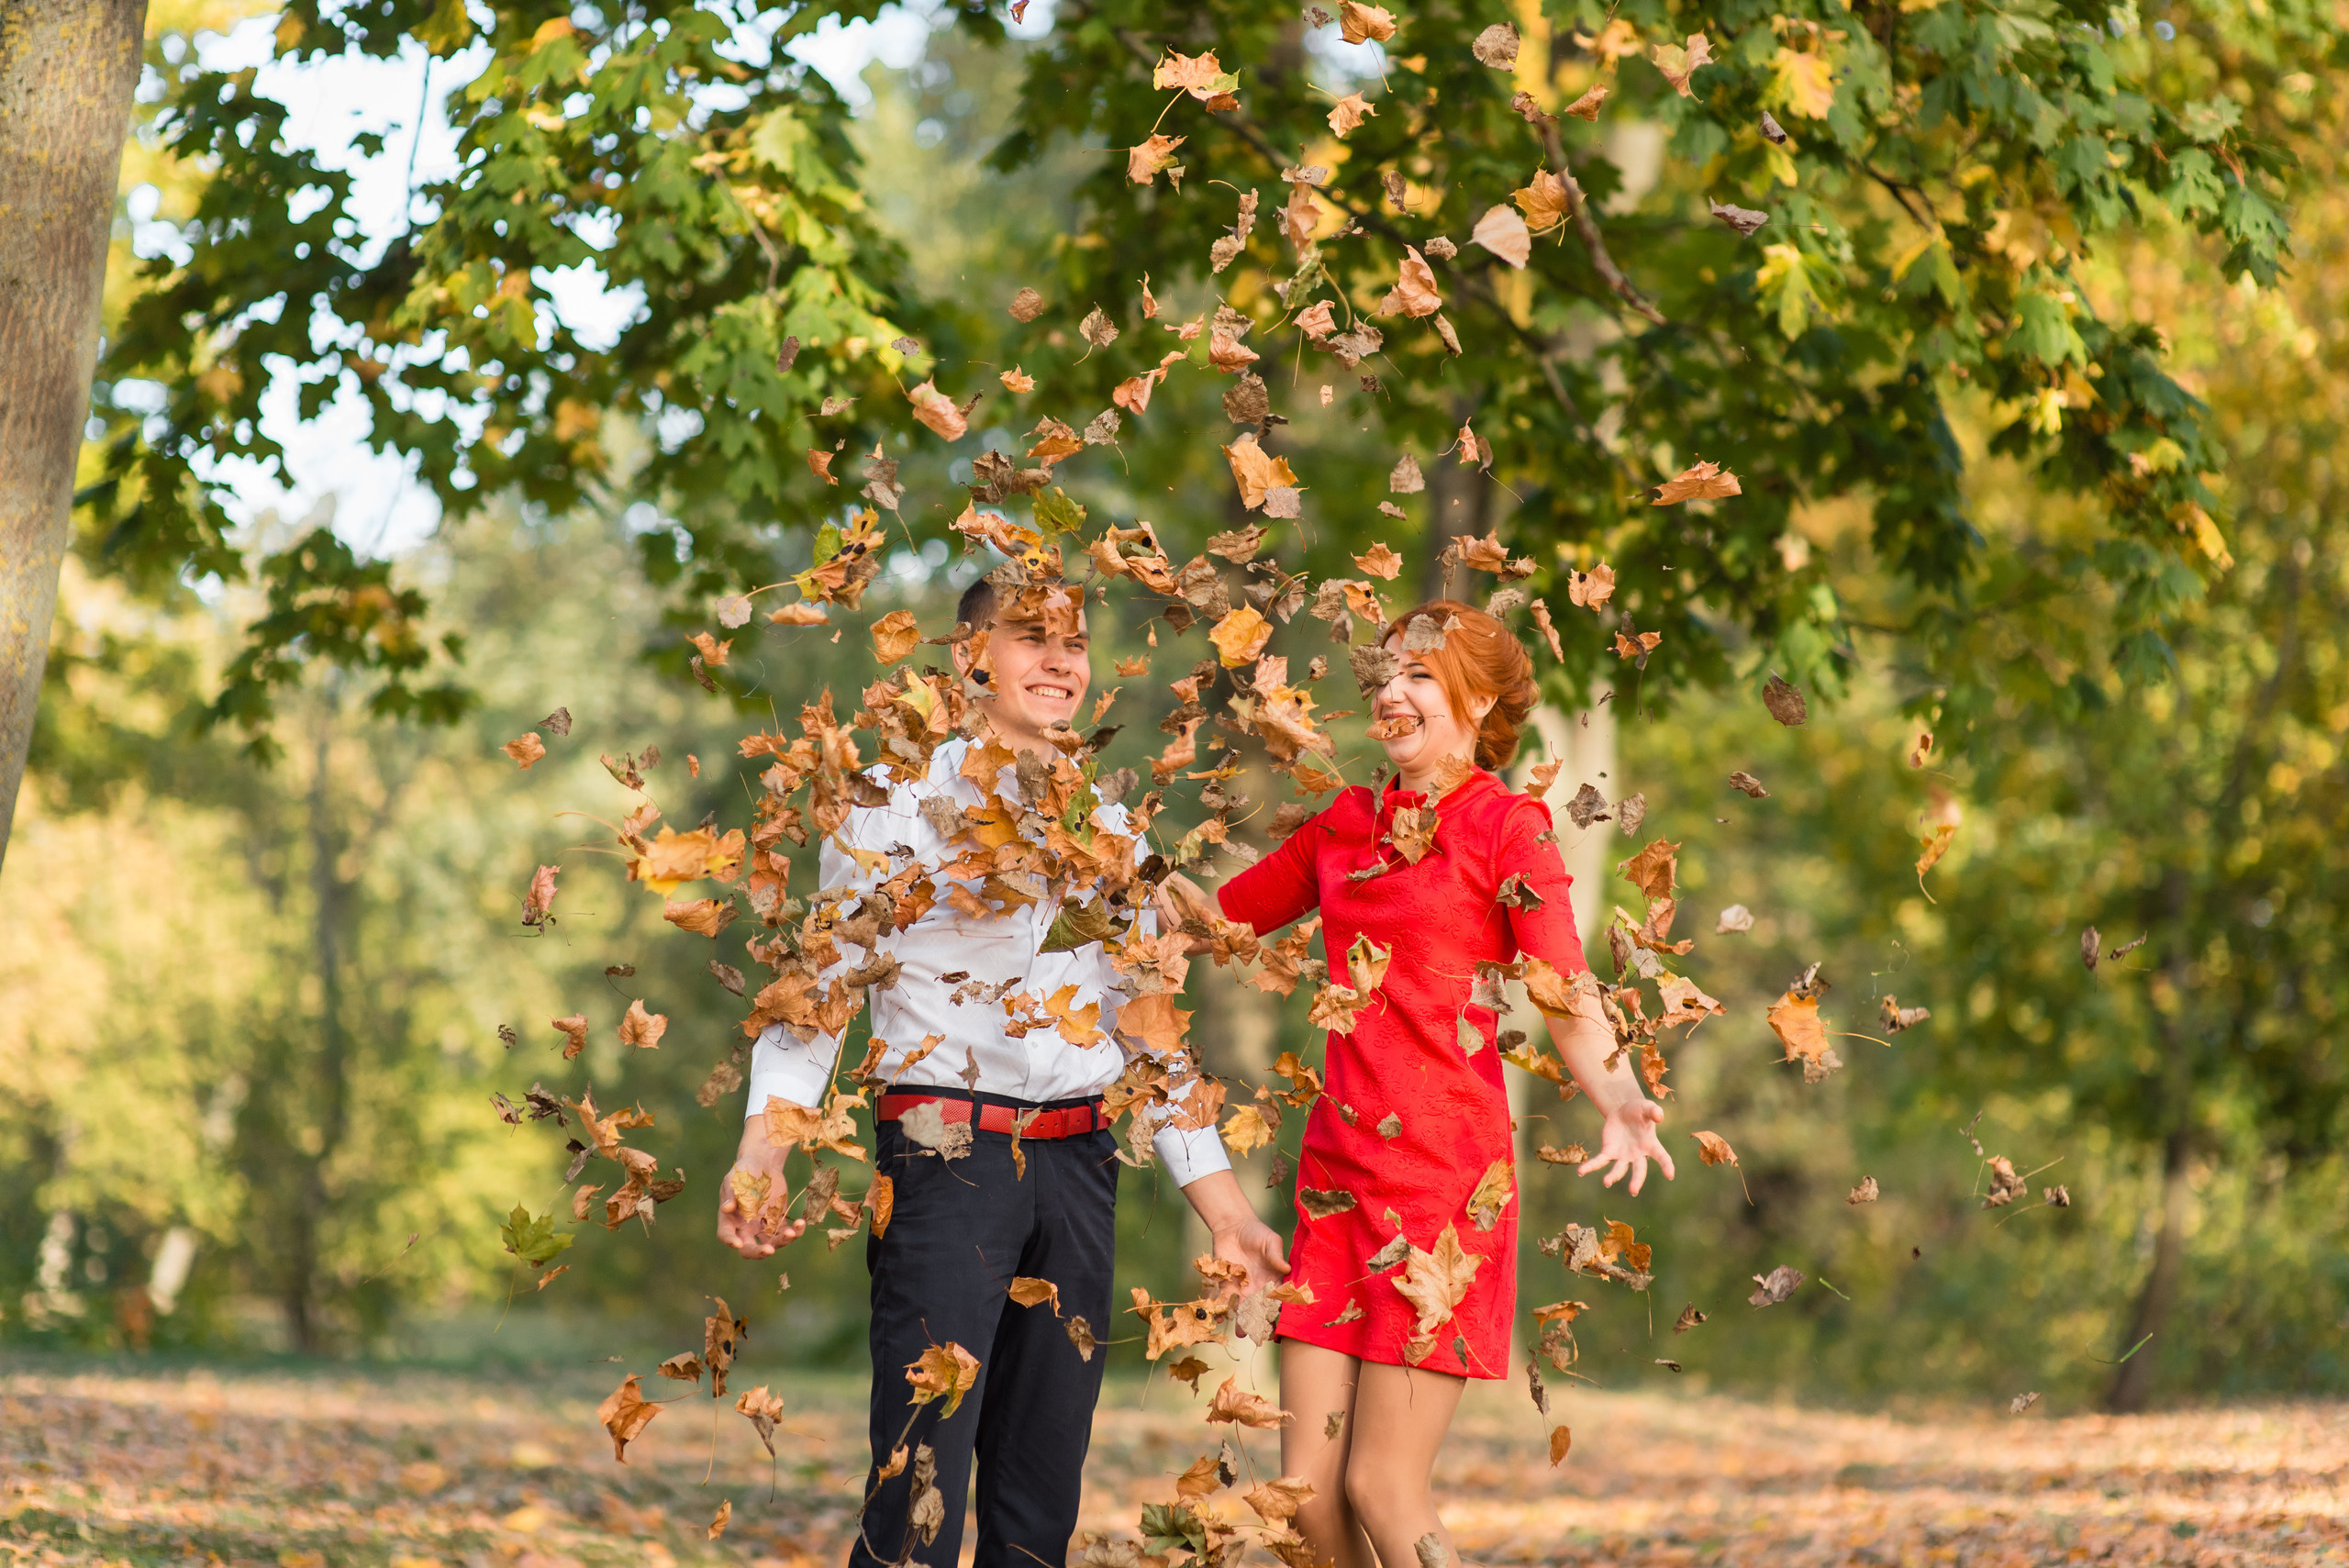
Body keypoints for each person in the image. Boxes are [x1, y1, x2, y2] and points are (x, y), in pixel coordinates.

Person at [717, 577, 1287, 1568]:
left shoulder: (1114, 830)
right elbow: (815, 1001)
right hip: (945, 1161)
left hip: (1080, 1168)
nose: (1062, 661)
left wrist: (1229, 1214)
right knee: (917, 1481)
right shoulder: (890, 809)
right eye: (1033, 638)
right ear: (968, 655)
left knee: (1038, 1492)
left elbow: (1149, 1034)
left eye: (1074, 642)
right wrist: (760, 1149)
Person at [1161, 599, 1675, 1568]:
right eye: (1382, 675)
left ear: (1477, 701)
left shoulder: (1506, 827)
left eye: (1420, 675)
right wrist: (1100, 870)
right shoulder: (1347, 823)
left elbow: (1561, 989)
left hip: (1444, 1187)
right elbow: (1211, 921)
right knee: (1305, 1503)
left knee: (1381, 1486)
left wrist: (1617, 1094)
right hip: (1335, 1184)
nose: (1389, 692)